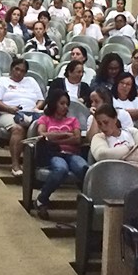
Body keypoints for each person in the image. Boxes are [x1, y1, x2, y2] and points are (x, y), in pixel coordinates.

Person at [33, 89, 88, 220]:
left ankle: (87, 205)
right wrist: (65, 134)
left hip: (71, 153)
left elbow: (77, 139)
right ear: (54, 103)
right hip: (54, 154)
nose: (65, 107)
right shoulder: (44, 119)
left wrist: (54, 138)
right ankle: (42, 199)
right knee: (61, 169)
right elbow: (42, 136)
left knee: (84, 168)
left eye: (67, 104)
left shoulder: (73, 120)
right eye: (62, 103)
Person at [0, 59, 45, 176]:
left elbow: (41, 100)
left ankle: (36, 164)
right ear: (11, 69)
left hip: (31, 113)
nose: (19, 73)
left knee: (44, 128)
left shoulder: (31, 81)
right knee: (18, 129)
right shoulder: (2, 81)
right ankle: (15, 165)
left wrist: (36, 108)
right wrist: (9, 108)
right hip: (9, 113)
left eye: (23, 71)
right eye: (17, 69)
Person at [90, 104, 138, 180]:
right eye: (99, 123)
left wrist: (117, 157)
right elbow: (102, 155)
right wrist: (130, 148)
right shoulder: (98, 137)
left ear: (115, 119)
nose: (103, 127)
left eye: (106, 122)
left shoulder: (132, 131)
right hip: (114, 174)